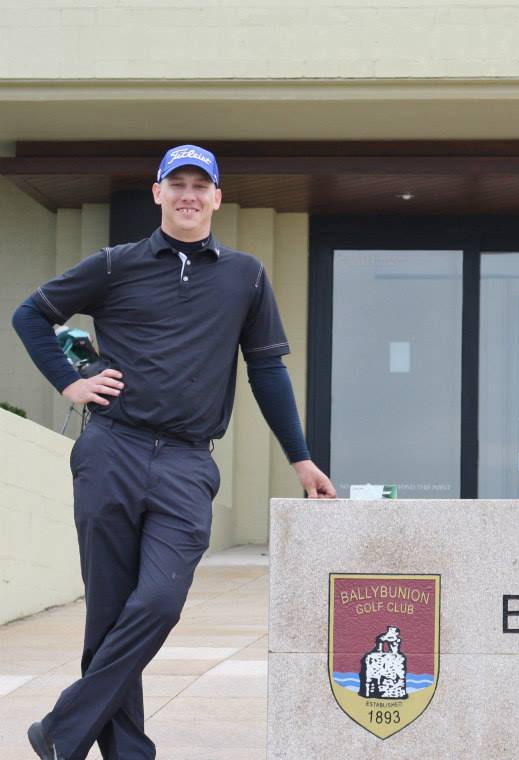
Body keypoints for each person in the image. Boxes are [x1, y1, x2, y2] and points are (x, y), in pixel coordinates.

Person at [12, 144, 336, 760]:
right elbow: (31, 315)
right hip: (112, 449)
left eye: (200, 185)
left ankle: (60, 729)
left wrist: (300, 458)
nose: (189, 195)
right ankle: (126, 752)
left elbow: (267, 371)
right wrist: (69, 382)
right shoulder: (115, 264)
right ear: (157, 193)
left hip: (187, 461)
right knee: (109, 613)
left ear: (217, 197)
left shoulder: (246, 276)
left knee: (158, 602)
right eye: (177, 184)